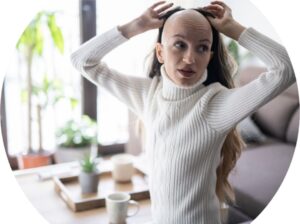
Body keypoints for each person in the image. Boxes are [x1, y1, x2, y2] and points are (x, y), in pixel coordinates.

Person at [71, 1, 295, 223]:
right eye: (179, 45)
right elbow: (82, 60)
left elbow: (286, 68)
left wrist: (234, 29)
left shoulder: (216, 105)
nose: (190, 59)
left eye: (202, 48)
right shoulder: (147, 94)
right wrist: (136, 25)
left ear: (209, 57)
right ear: (160, 52)